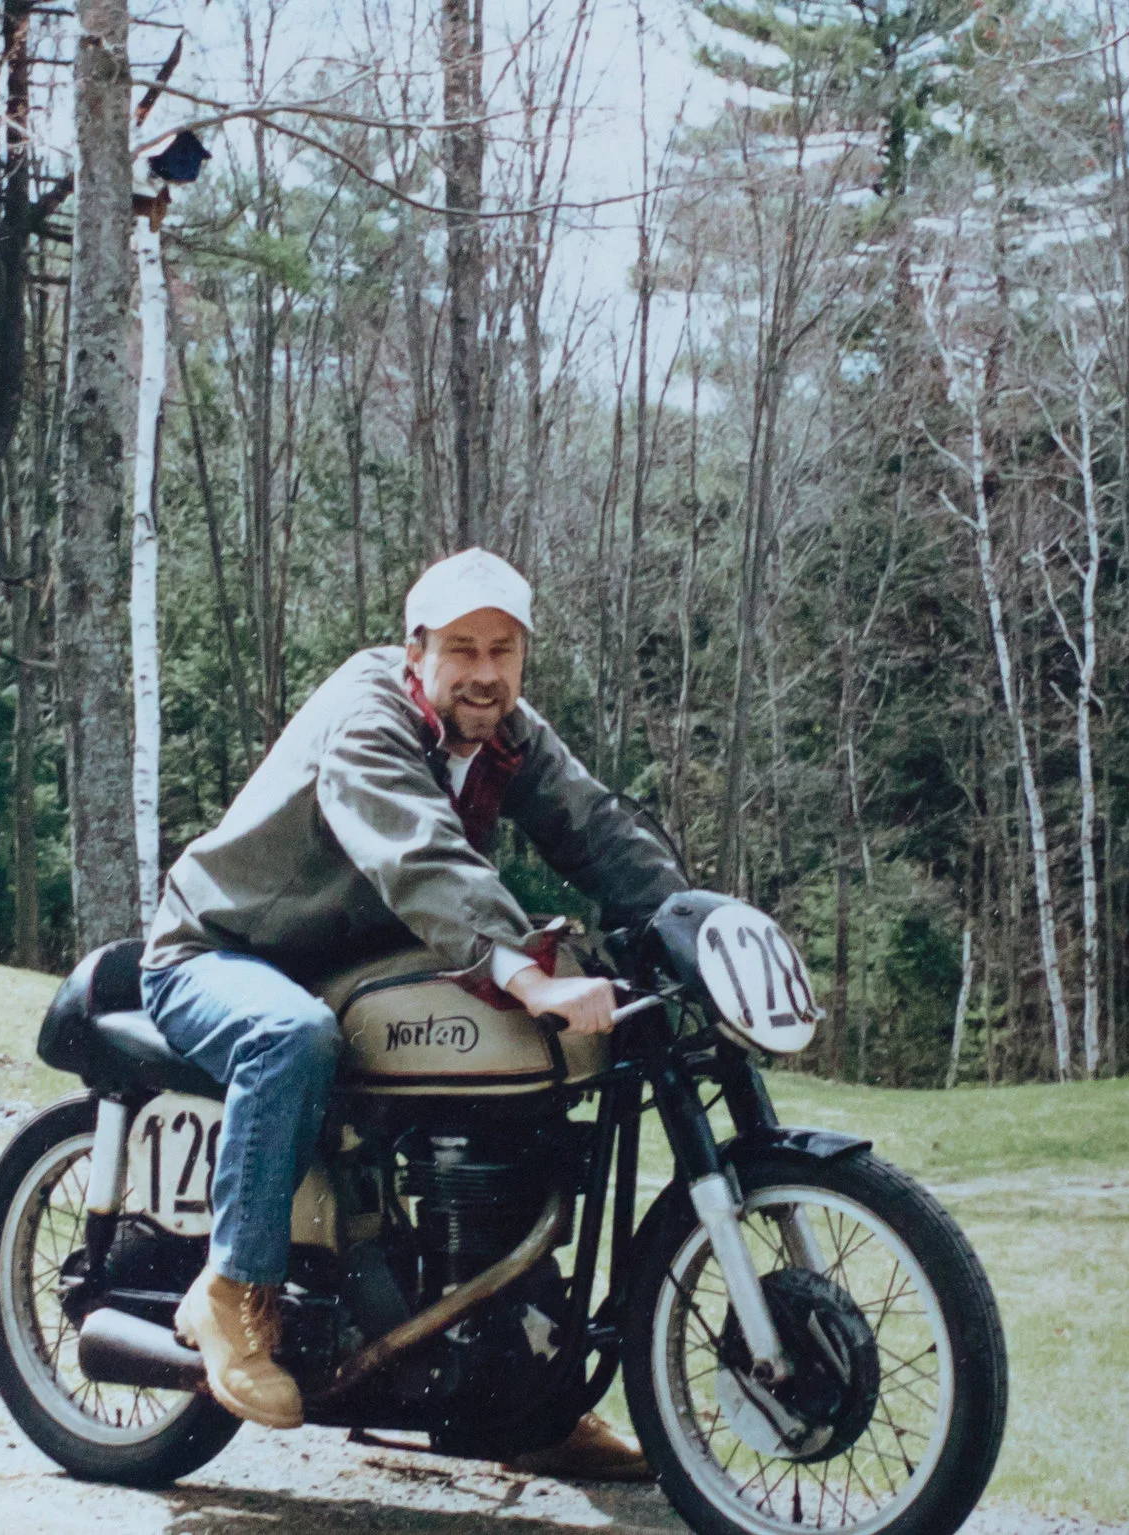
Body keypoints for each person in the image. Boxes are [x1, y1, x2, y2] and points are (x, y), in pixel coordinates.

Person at [139, 547, 686, 1479]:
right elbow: (421, 854)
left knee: (516, 1078)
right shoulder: (370, 721)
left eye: (503, 650)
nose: (485, 672)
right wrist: (526, 969)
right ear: (416, 649)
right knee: (290, 1036)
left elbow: (595, 827)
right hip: (225, 949)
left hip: (349, 958)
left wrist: (692, 922)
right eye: (463, 648)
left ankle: (524, 1394)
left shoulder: (504, 730)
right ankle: (229, 1290)